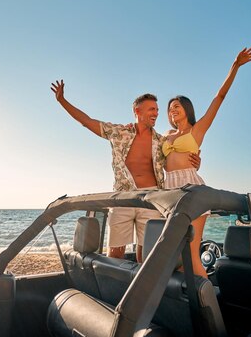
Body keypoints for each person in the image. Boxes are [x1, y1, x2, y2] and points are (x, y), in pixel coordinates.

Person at [50, 81, 200, 262]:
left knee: (146, 258)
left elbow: (178, 158)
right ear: (137, 111)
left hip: (151, 200)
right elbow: (86, 122)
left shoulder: (162, 141)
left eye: (157, 110)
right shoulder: (119, 132)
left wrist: (196, 162)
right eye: (152, 109)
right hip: (122, 198)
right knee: (115, 255)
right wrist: (62, 101)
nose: (157, 113)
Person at [162, 45, 251, 276]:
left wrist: (235, 66)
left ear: (186, 109)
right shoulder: (164, 136)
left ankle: (209, 310)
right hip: (167, 190)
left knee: (193, 255)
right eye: (169, 109)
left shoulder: (197, 130)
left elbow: (219, 97)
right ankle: (184, 301)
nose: (172, 110)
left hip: (191, 189)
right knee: (173, 257)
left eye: (176, 106)